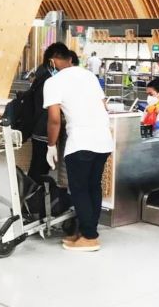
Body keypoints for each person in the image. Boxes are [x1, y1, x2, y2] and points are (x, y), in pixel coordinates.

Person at [44, 43, 113, 252]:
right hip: (103, 140)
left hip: (81, 141)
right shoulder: (89, 76)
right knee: (93, 186)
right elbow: (104, 106)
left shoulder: (53, 82)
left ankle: (90, 237)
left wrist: (51, 145)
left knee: (80, 189)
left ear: (52, 61)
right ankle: (87, 231)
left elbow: (54, 119)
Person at [27, 45, 57, 183]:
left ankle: (30, 193)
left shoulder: (42, 72)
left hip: (38, 126)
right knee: (39, 167)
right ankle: (32, 193)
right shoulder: (49, 78)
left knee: (38, 166)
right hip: (43, 127)